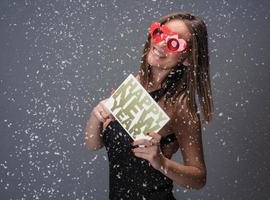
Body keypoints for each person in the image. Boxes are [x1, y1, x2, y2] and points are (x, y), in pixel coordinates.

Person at [85, 12, 214, 200]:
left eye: (174, 44)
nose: (161, 44)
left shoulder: (180, 107)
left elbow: (199, 179)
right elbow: (93, 144)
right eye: (161, 34)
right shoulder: (136, 86)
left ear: (187, 58)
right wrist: (97, 115)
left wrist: (160, 161)